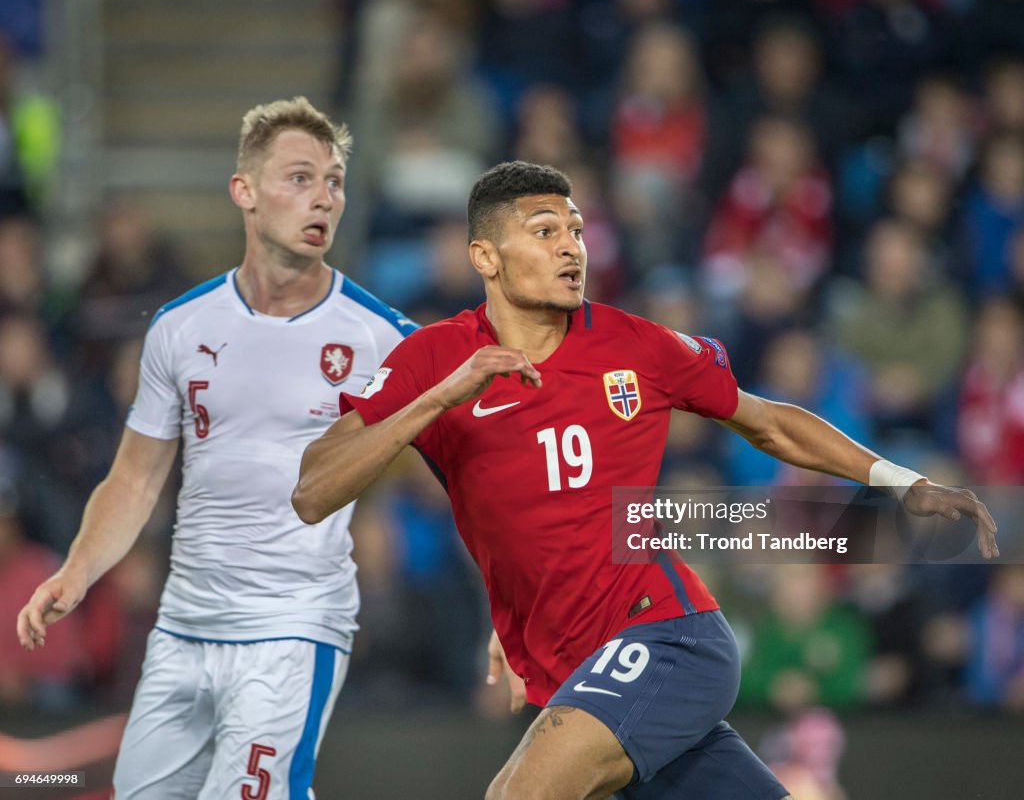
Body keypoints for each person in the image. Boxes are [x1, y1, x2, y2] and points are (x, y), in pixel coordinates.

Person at [291, 161, 999, 800]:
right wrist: (439, 399)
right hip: (575, 669)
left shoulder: (636, 345)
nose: (572, 247)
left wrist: (900, 479)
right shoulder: (437, 360)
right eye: (544, 231)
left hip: (666, 636)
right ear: (486, 256)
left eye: (575, 229)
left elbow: (768, 423)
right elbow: (314, 490)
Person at [16, 97, 415, 799]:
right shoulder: (179, 327)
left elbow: (472, 469)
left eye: (335, 181)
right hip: (183, 628)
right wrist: (77, 572)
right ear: (245, 192)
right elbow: (135, 481)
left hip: (294, 629)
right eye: (300, 177)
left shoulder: (379, 335)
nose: (324, 196)